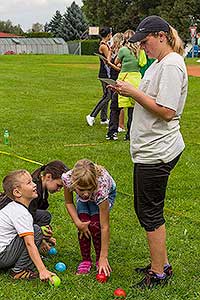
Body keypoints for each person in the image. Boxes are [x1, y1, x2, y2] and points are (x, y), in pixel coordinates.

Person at [110, 15, 188, 288]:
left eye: (145, 42)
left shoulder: (171, 66)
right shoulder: (158, 64)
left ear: (161, 36)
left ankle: (158, 273)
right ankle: (161, 263)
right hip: (148, 149)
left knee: (149, 212)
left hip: (158, 151)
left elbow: (167, 111)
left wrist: (133, 92)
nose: (143, 48)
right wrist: (127, 90)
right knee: (145, 209)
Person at [62, 159, 116, 277]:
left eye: (89, 189)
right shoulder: (68, 180)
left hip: (102, 196)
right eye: (81, 190)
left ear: (94, 184)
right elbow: (69, 202)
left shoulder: (101, 188)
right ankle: (86, 260)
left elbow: (105, 226)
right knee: (84, 223)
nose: (86, 193)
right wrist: (78, 223)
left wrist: (104, 257)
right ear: (74, 184)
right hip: (89, 196)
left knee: (95, 225)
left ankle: (99, 259)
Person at [0, 170, 55, 281]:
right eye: (29, 183)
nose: (35, 184)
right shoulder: (22, 213)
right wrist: (42, 270)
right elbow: (29, 243)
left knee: (34, 231)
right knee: (36, 230)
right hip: (2, 257)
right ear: (17, 192)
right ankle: (19, 270)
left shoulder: (12, 207)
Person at [106, 30, 141, 141]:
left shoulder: (123, 50)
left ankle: (112, 132)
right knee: (132, 109)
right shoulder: (140, 51)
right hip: (136, 79)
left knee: (115, 106)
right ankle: (130, 134)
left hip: (124, 78)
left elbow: (116, 62)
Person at [29, 160, 69, 250]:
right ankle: (34, 243)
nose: (59, 189)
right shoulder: (34, 190)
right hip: (17, 220)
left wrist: (46, 233)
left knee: (44, 215)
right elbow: (27, 218)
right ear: (48, 176)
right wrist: (40, 239)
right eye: (58, 185)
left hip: (28, 216)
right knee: (45, 216)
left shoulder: (43, 192)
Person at [86, 27, 112, 126]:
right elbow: (108, 60)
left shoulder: (105, 45)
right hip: (105, 73)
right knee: (107, 95)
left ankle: (104, 118)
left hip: (106, 73)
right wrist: (111, 51)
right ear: (108, 35)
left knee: (106, 95)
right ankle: (92, 115)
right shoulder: (104, 46)